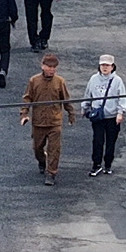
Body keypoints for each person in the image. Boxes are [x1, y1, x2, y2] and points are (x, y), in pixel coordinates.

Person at [20, 51, 75, 184]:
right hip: (38, 122)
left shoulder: (60, 82)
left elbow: (66, 99)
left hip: (54, 121)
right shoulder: (34, 81)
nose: (52, 70)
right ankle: (42, 161)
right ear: (42, 66)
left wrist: (71, 114)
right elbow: (27, 98)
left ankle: (51, 172)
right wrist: (24, 114)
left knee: (54, 149)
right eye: (49, 67)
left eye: (54, 67)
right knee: (37, 148)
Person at [82, 54, 126, 176]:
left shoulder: (117, 81)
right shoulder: (93, 79)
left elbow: (122, 97)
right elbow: (88, 94)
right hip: (98, 117)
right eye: (103, 65)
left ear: (112, 67)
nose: (105, 67)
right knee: (97, 141)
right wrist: (84, 107)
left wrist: (120, 113)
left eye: (107, 65)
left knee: (111, 142)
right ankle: (96, 164)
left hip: (112, 117)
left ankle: (108, 164)